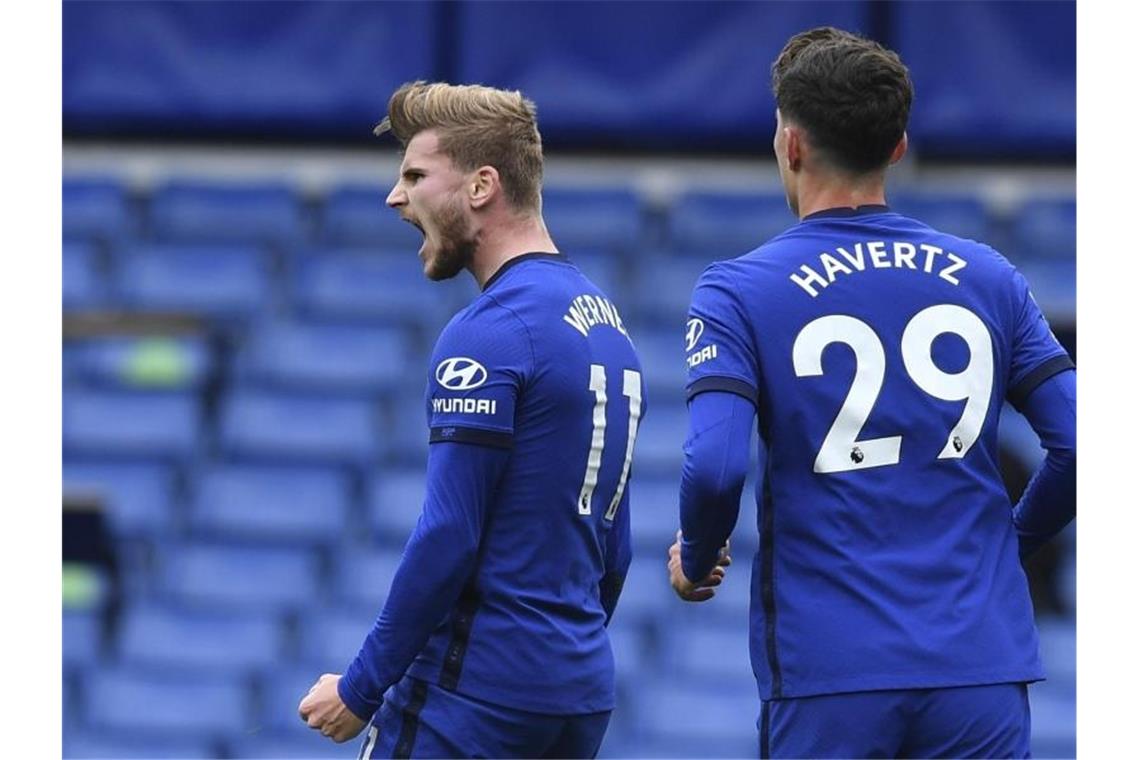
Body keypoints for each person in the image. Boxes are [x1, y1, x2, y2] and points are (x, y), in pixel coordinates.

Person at [667, 27, 1076, 758]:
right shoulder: (988, 276)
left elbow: (716, 465)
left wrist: (696, 559)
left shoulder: (737, 290)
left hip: (830, 671)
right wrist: (1012, 545)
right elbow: (1080, 444)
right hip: (979, 668)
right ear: (897, 147)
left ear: (790, 145)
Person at [297, 81, 645, 759]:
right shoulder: (608, 326)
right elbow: (615, 547)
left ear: (483, 185)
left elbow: (449, 534)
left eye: (416, 175)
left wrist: (362, 687)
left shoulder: (490, 330)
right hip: (575, 695)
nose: (396, 198)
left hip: (472, 696)